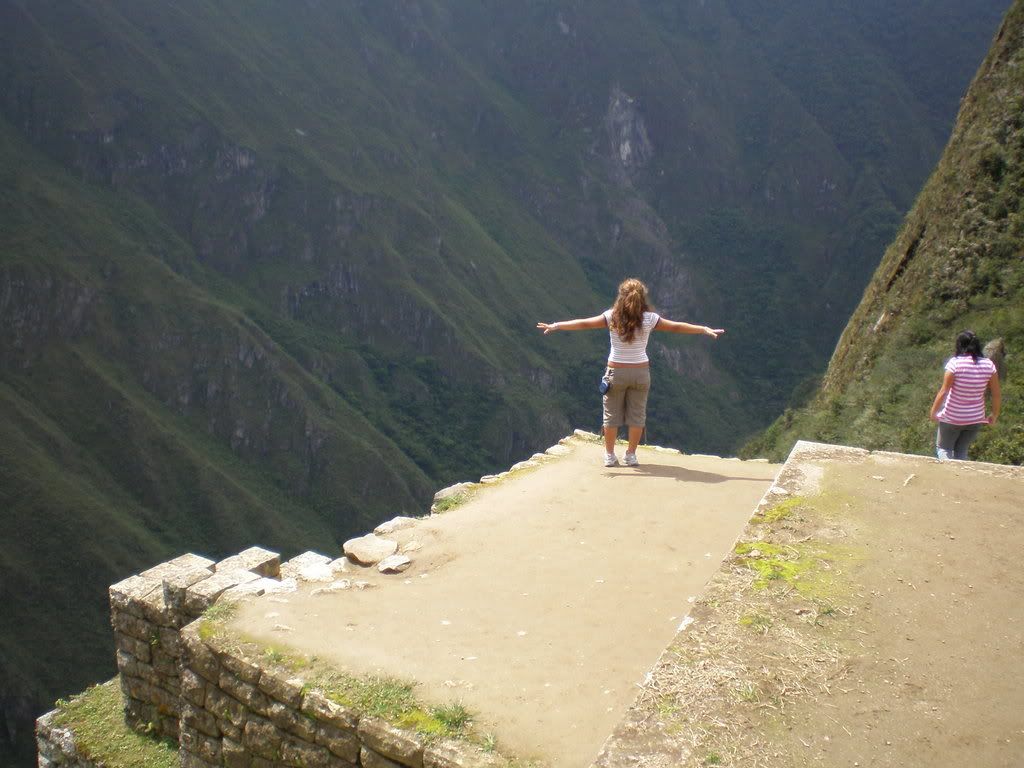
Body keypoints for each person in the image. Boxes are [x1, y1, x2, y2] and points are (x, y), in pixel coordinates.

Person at [537, 278, 724, 467]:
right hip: (640, 373)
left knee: (611, 416)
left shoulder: (611, 317)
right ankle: (631, 455)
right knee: (637, 416)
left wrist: (556, 325)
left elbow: (584, 324)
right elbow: (676, 326)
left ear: (621, 296)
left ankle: (609, 455)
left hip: (616, 372)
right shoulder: (650, 319)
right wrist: (703, 329)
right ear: (642, 298)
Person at [929, 330, 1001, 461]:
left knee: (944, 449)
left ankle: (949, 472)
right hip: (975, 419)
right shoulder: (989, 365)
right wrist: (994, 415)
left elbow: (944, 391)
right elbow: (996, 394)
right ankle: (959, 473)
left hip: (952, 417)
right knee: (961, 450)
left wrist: (933, 412)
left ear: (959, 345)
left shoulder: (955, 363)